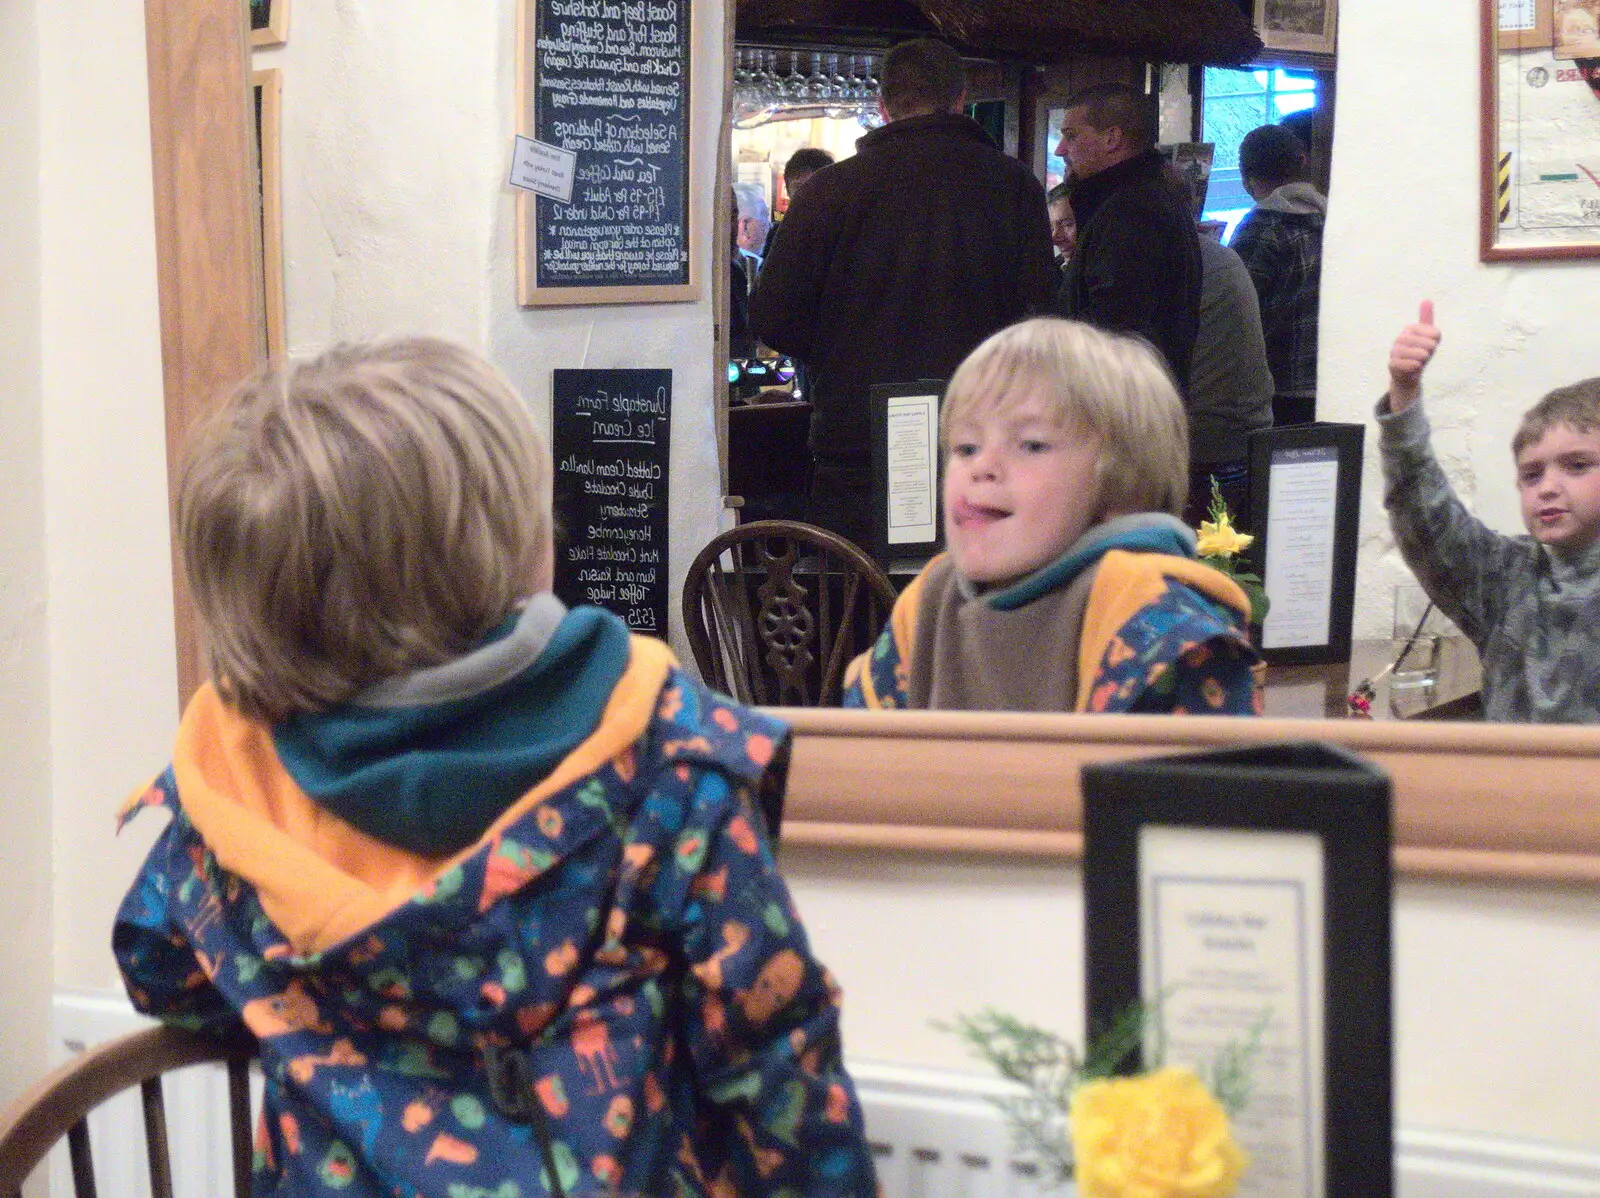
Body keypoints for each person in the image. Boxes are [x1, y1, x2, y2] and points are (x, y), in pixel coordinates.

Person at [112, 338, 878, 1198]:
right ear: (519, 550)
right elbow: (776, 1078)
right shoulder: (669, 768)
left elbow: (163, 968)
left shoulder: (241, 791)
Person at [842, 318, 1260, 714]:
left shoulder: (1154, 615)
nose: (981, 466)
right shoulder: (930, 598)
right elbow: (855, 759)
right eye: (966, 447)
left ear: (1125, 486)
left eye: (1031, 445)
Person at [750, 37, 1056, 550]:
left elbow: (772, 317)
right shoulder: (1014, 186)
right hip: (981, 440)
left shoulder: (829, 191)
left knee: (858, 604)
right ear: (960, 101)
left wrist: (841, 350)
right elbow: (1042, 317)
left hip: (855, 440)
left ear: (883, 107)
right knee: (970, 605)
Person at [1383, 302, 1600, 722]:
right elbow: (1425, 516)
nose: (1549, 487)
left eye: (1576, 465)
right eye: (1532, 475)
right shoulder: (1505, 578)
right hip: (1509, 782)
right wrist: (1403, 392)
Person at [1053, 82, 1202, 396]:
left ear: (1112, 138)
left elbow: (1116, 329)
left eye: (1071, 136)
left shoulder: (1132, 212)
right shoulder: (1139, 198)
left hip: (1121, 409)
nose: (1060, 150)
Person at [1232, 123, 1327, 425]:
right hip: (1333, 380)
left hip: (1278, 387)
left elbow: (1237, 314)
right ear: (1303, 161)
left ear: (1247, 180)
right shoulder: (1334, 219)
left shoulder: (1260, 229)